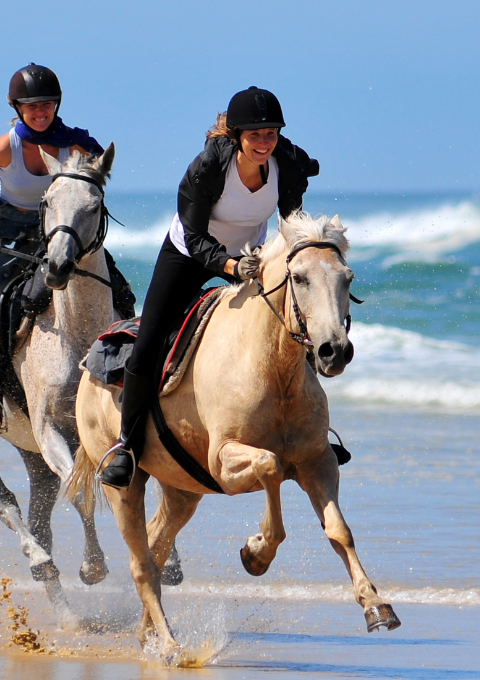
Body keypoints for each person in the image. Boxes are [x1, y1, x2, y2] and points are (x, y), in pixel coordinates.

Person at [97, 86, 319, 488]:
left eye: (271, 133)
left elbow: (292, 224)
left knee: (296, 325)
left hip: (252, 252)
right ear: (236, 136)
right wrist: (231, 265)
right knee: (148, 344)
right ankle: (126, 446)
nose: (264, 142)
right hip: (189, 255)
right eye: (255, 135)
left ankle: (310, 435)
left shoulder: (286, 163)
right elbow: (196, 237)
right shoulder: (208, 167)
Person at [0, 63, 103, 434]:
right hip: (3, 235)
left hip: (52, 231)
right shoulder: (9, 145)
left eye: (47, 105)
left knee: (113, 288)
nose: (40, 112)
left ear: (57, 104)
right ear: (17, 108)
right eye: (32, 106)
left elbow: (95, 179)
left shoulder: (73, 142)